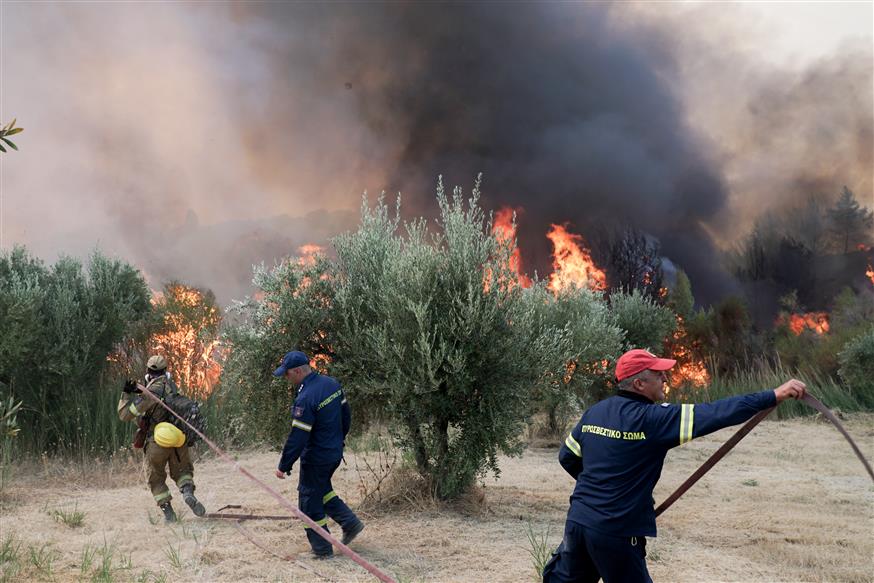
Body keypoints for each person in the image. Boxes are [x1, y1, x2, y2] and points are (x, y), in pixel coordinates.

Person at [543, 348, 806, 583]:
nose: (666, 379)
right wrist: (773, 395)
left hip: (578, 523)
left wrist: (601, 488)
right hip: (616, 531)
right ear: (638, 383)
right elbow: (717, 412)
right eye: (659, 375)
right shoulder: (655, 419)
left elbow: (567, 456)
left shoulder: (595, 412)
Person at [273, 350, 364, 558]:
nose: (286, 378)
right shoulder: (331, 384)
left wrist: (284, 465)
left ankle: (322, 549)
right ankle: (350, 523)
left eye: (287, 374)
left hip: (316, 457)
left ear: (297, 371)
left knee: (308, 502)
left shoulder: (305, 398)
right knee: (322, 490)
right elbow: (346, 416)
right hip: (334, 452)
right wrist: (338, 440)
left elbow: (298, 437)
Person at [118, 355, 207, 523]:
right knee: (183, 472)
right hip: (178, 439)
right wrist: (140, 390)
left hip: (157, 442)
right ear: (165, 370)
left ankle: (169, 515)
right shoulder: (171, 386)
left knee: (156, 478)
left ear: (148, 371)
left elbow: (125, 415)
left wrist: (126, 393)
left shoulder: (150, 392)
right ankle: (188, 493)